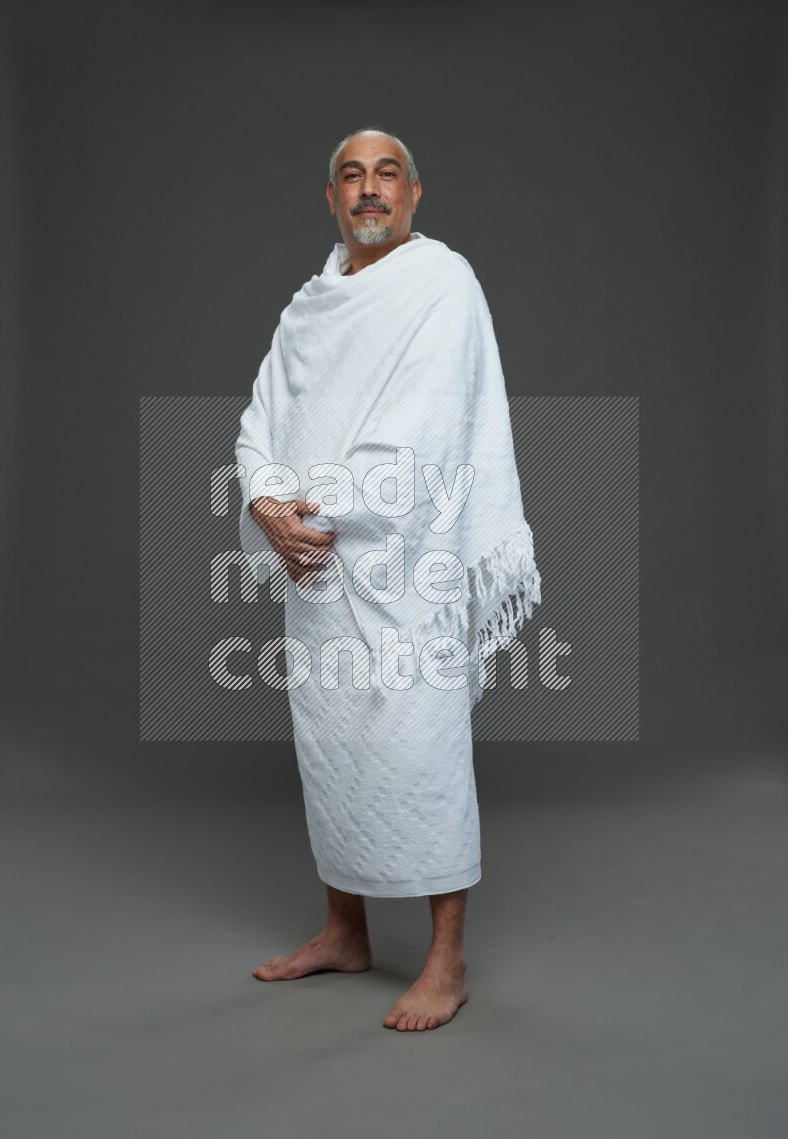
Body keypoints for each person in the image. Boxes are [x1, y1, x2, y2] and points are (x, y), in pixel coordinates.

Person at [234, 126, 541, 1031]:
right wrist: (263, 501)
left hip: (408, 566)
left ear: (414, 193)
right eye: (351, 176)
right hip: (316, 570)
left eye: (387, 174)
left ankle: (446, 959)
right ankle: (345, 930)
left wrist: (304, 506)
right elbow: (261, 417)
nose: (370, 189)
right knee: (330, 747)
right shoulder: (309, 306)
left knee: (420, 748)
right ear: (332, 198)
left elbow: (418, 436)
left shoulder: (442, 287)